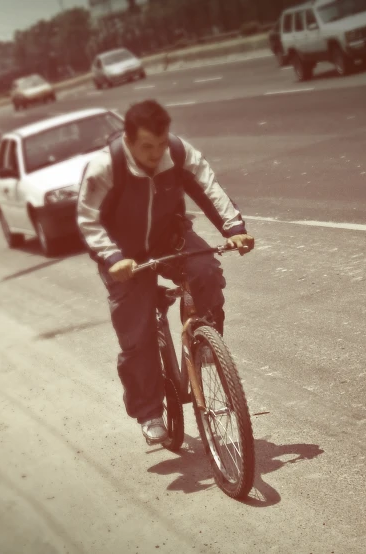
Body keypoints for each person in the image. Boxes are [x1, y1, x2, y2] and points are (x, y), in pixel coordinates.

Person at [76, 100, 254, 445]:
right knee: (136, 333)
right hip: (123, 258)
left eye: (160, 144)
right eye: (147, 147)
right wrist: (112, 257)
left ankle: (206, 344)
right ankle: (149, 413)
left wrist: (234, 229)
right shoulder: (105, 167)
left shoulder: (175, 151)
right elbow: (88, 220)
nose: (156, 154)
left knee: (204, 268)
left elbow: (208, 186)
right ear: (128, 141)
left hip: (167, 238)